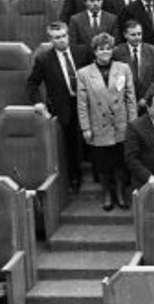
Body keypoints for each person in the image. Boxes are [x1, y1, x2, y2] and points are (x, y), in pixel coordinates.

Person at [27, 21, 92, 192]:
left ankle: (99, 175)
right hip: (64, 104)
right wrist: (38, 102)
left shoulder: (82, 52)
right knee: (70, 144)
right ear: (50, 40)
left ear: (68, 35)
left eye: (64, 36)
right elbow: (32, 83)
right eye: (57, 38)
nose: (62, 40)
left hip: (87, 102)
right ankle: (74, 178)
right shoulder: (44, 59)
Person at [75, 33, 135, 210]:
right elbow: (82, 104)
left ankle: (119, 193)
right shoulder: (84, 73)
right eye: (101, 49)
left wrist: (133, 124)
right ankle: (107, 194)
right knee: (103, 164)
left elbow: (131, 98)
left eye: (108, 48)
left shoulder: (123, 68)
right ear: (94, 51)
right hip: (98, 125)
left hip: (121, 123)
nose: (105, 52)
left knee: (119, 162)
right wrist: (85, 127)